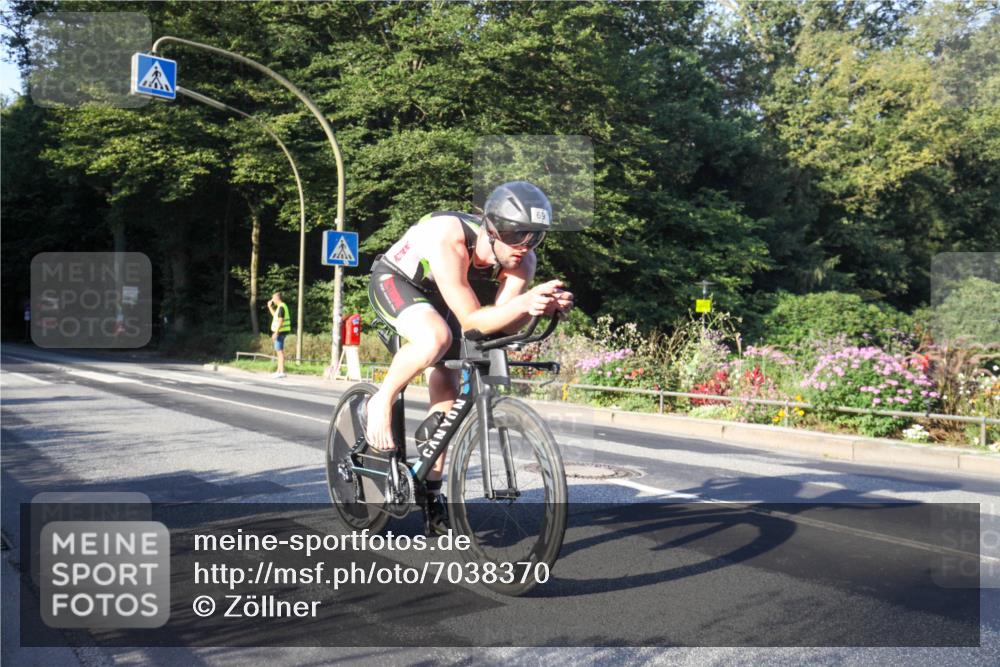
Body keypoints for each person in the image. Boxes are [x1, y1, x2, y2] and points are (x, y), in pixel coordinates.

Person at [365, 181, 574, 534]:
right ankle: (381, 400)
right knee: (436, 338)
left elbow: (495, 325)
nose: (523, 247)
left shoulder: (523, 262)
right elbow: (472, 320)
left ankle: (430, 494)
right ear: (491, 228)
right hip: (397, 282)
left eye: (534, 238)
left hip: (446, 294)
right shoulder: (450, 240)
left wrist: (538, 308)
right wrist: (524, 304)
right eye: (514, 234)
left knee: (449, 384)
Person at [267, 292, 291, 378]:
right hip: (281, 331)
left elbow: (281, 321)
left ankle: (282, 372)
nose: (272, 300)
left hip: (280, 332)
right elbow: (275, 316)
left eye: (273, 298)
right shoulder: (280, 307)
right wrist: (270, 307)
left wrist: (276, 333)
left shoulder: (281, 307)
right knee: (278, 351)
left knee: (280, 352)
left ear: (277, 298)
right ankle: (278, 371)